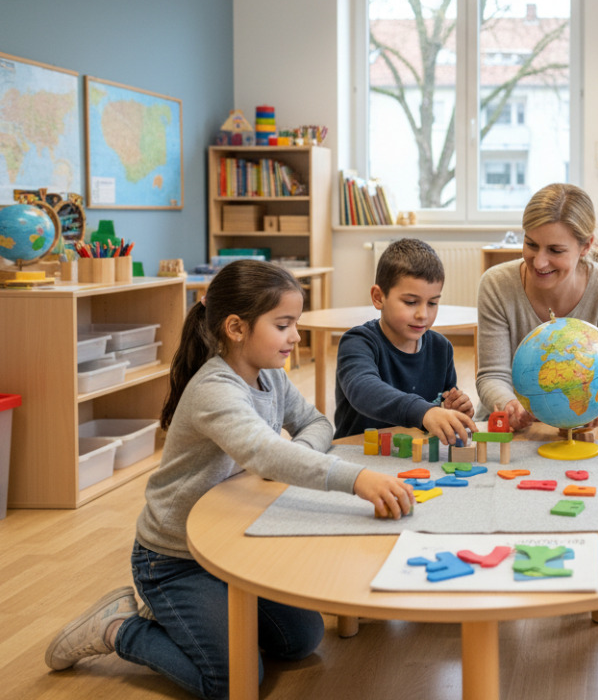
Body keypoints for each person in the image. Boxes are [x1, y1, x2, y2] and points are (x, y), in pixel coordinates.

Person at [44, 260, 415, 699]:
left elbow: (314, 422)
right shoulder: (214, 390)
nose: (296, 336)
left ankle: (207, 622)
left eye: (294, 323)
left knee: (302, 640)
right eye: (283, 325)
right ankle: (119, 628)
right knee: (232, 682)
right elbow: (265, 452)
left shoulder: (272, 376)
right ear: (236, 328)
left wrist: (297, 456)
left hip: (232, 542)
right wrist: (354, 479)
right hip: (174, 560)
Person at [476, 183, 598, 430]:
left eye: (555, 250)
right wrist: (509, 405)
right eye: (531, 244)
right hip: (514, 423)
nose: (538, 262)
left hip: (593, 422)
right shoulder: (496, 284)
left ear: (586, 246)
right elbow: (492, 376)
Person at [333, 238, 475, 443]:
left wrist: (451, 410)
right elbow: (363, 389)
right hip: (359, 455)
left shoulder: (441, 348)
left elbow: (437, 409)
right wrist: (425, 411)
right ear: (378, 297)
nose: (422, 314)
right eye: (410, 302)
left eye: (433, 303)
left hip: (416, 457)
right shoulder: (358, 342)